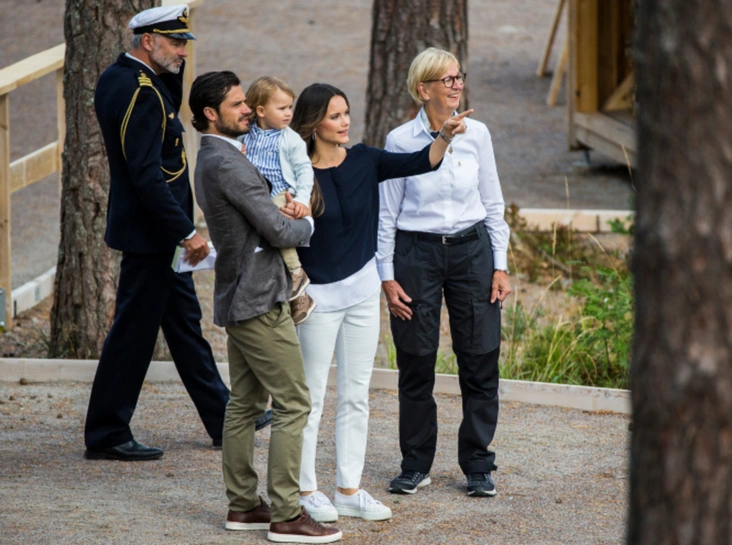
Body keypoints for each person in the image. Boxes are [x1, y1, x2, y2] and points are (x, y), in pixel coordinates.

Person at [84, 5, 275, 462]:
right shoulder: (140, 92)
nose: (182, 52)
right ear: (147, 41)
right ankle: (107, 432)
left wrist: (170, 64)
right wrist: (187, 232)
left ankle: (222, 416)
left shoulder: (125, 78)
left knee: (185, 326)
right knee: (132, 334)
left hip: (155, 230)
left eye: (184, 43)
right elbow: (147, 175)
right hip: (153, 233)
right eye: (174, 43)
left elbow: (167, 108)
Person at [288, 83, 470, 522]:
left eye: (346, 112)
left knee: (356, 396)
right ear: (313, 124)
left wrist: (444, 135)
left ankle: (348, 490)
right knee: (310, 399)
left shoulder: (365, 159)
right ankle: (306, 490)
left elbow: (421, 161)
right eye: (334, 116)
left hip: (363, 294)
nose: (345, 122)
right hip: (316, 299)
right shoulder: (297, 175)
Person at [189, 70, 341, 544]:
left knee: (245, 403)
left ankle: (243, 506)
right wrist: (308, 224)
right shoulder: (228, 164)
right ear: (211, 113)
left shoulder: (217, 157)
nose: (247, 110)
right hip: (257, 298)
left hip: (241, 293)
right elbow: (276, 229)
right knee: (295, 402)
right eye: (237, 105)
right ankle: (287, 514)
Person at [377, 47, 512, 498]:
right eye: (447, 79)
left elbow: (493, 202)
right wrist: (387, 276)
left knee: (480, 357)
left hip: (473, 252)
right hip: (417, 254)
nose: (457, 85)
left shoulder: (478, 134)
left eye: (459, 77)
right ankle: (415, 464)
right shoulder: (400, 140)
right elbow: (387, 213)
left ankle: (478, 465)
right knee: (416, 360)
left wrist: (500, 265)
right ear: (423, 89)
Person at [239, 76, 316, 325]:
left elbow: (304, 170)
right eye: (282, 108)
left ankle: (296, 272)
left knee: (273, 221)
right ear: (261, 111)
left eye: (290, 107)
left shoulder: (290, 139)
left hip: (281, 195)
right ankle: (299, 298)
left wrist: (301, 200)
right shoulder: (245, 134)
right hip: (254, 196)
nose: (288, 113)